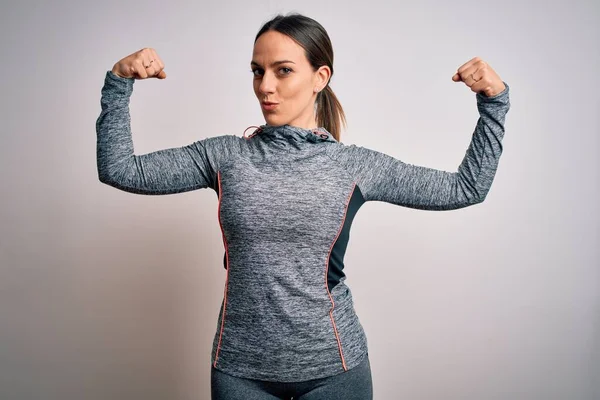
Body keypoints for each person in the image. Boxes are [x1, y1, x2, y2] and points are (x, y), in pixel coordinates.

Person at [97, 12, 510, 400]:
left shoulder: (354, 166)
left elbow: (465, 188)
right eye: (258, 71)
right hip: (241, 371)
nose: (265, 86)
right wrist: (118, 83)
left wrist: (493, 103)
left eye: (283, 70)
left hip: (335, 369)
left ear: (320, 77)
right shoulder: (224, 157)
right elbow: (121, 170)